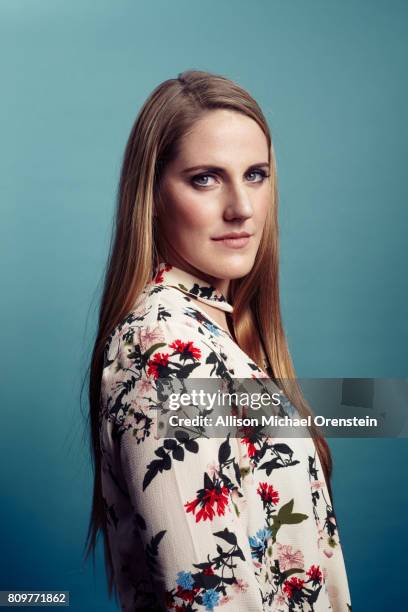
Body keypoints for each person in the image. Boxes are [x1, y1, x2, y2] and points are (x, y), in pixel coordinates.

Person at [84, 70, 352, 611]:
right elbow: (204, 593)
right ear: (153, 195)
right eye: (206, 178)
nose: (242, 208)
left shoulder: (211, 329)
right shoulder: (164, 348)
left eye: (256, 174)